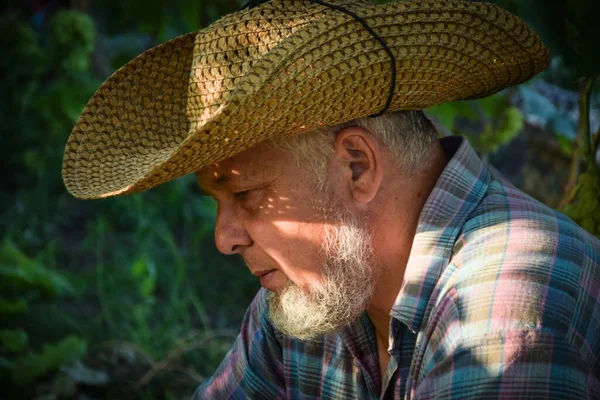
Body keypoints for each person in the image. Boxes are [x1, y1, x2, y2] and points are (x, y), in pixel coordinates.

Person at [62, 0, 600, 398]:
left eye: (247, 194)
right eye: (216, 201)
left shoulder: (505, 316)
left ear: (357, 166)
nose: (224, 237)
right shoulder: (321, 290)